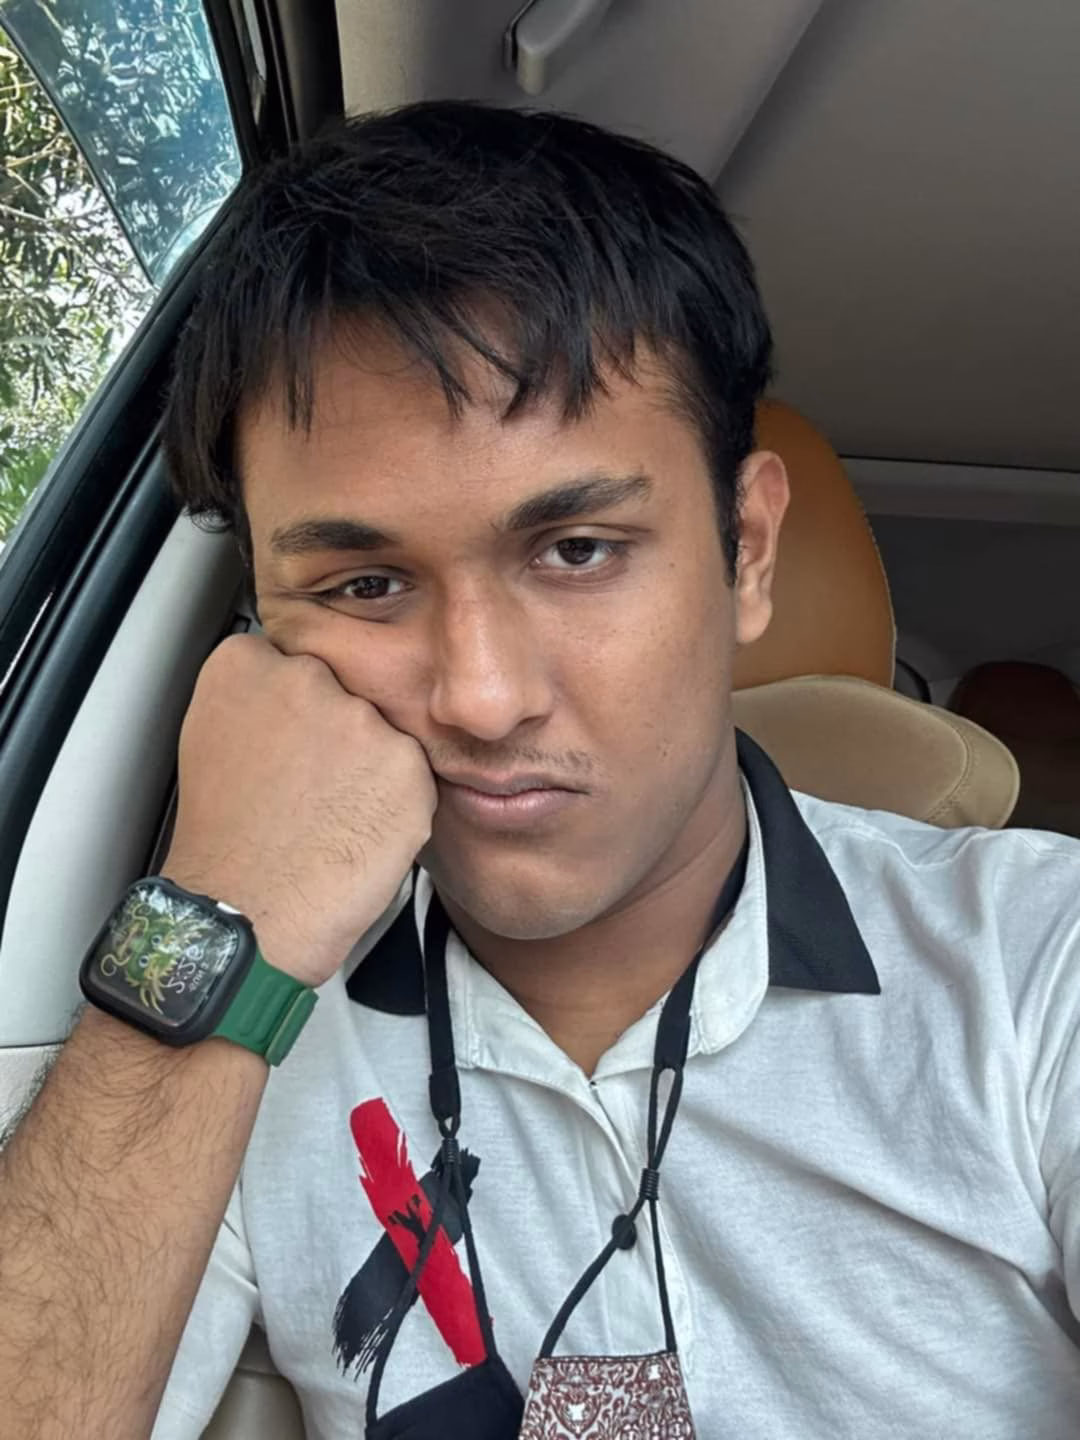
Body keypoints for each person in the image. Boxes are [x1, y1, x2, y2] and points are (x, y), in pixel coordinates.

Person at [0, 100, 1077, 1440]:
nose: (482, 697)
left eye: (577, 551)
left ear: (746, 553)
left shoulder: (1033, 965)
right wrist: (209, 920)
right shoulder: (239, 1039)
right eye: (366, 583)